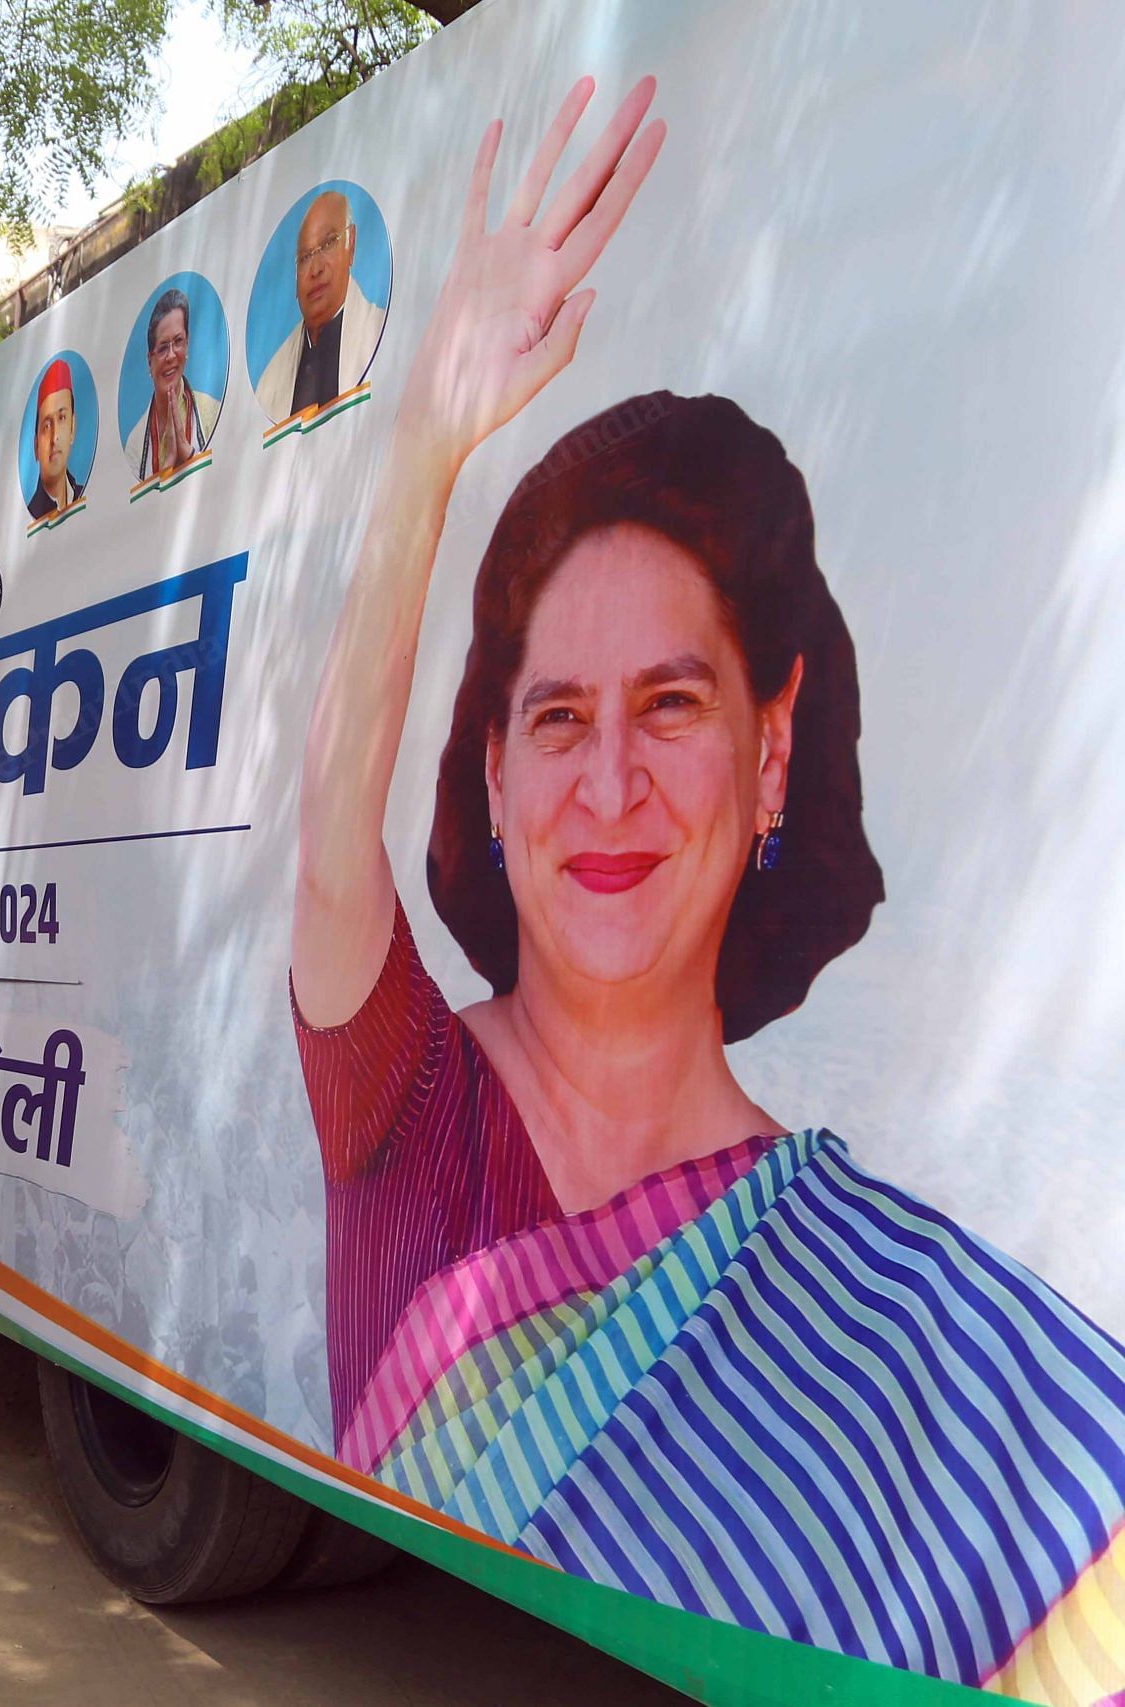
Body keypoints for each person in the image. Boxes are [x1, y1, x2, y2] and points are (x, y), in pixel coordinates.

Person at [291, 78, 1125, 1698]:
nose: (609, 786)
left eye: (672, 704)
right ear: (490, 776)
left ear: (770, 754)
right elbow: (333, 832)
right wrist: (422, 448)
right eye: (555, 717)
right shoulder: (410, 1110)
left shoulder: (939, 1323)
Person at [254, 188, 388, 422]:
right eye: (305, 258)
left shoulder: (380, 331)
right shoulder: (271, 381)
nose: (316, 270)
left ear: (351, 243)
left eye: (328, 244)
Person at [129, 287, 218, 483]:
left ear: (187, 346)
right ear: (149, 361)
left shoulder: (210, 412)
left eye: (178, 342)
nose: (171, 356)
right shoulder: (134, 447)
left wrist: (189, 456)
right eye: (162, 348)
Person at [27, 359, 86, 521]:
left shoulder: (83, 494)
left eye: (62, 418)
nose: (55, 437)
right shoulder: (33, 514)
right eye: (46, 426)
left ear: (72, 427)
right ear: (36, 445)